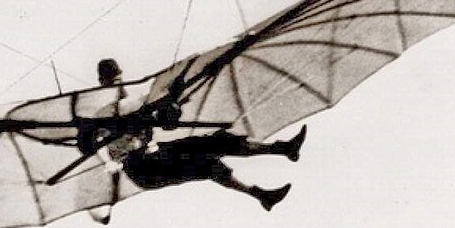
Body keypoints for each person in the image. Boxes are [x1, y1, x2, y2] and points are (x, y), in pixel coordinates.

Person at [93, 58, 303, 211]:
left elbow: (167, 124)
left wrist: (172, 106)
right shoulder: (103, 114)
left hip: (157, 155)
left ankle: (282, 150)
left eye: (119, 80)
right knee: (206, 163)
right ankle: (261, 193)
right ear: (103, 84)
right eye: (112, 83)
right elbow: (96, 142)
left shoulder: (139, 102)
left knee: (215, 142)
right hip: (142, 169)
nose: (118, 87)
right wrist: (107, 161)